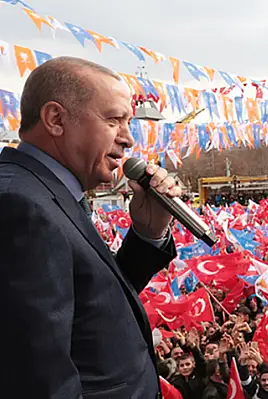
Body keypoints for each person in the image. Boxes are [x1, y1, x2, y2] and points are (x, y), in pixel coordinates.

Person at [0, 56, 181, 398]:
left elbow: (94, 304)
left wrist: (148, 233)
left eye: (128, 122)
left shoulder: (50, 193)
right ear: (56, 119)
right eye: (113, 120)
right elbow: (38, 383)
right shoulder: (19, 206)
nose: (128, 139)